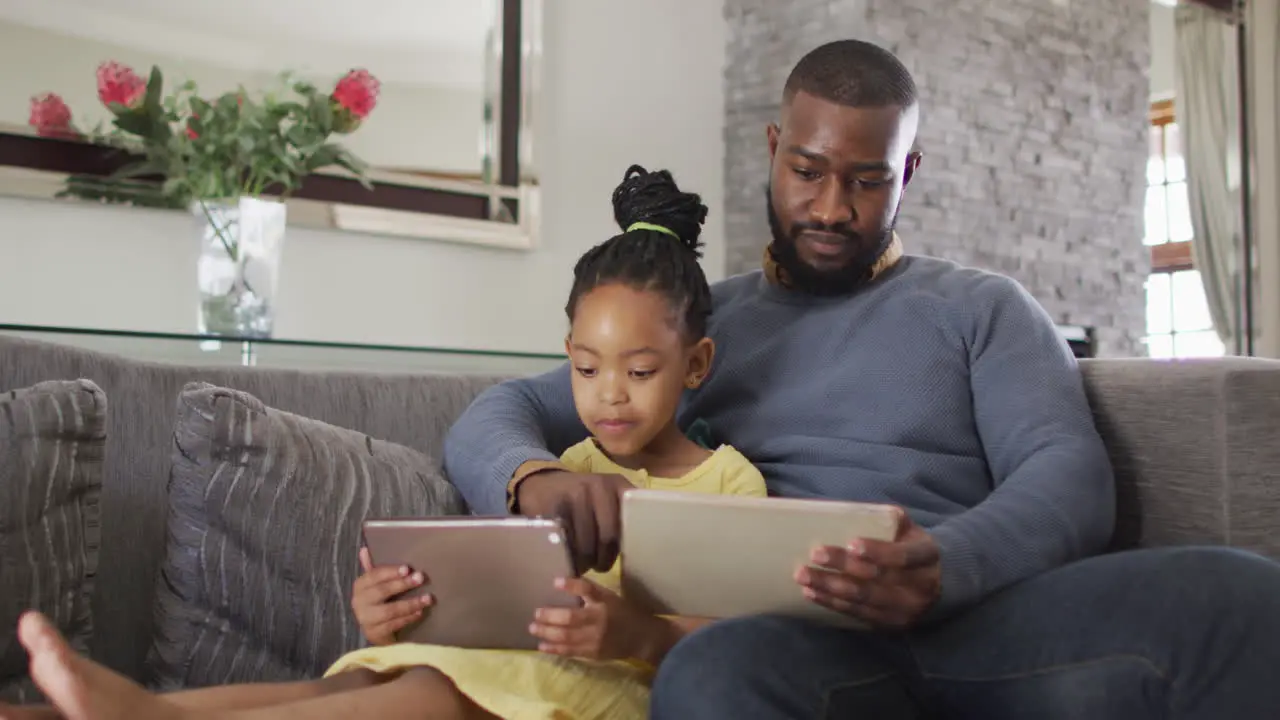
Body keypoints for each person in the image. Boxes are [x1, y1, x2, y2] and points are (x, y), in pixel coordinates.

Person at [441, 39, 1280, 718]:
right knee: (712, 674)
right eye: (808, 171)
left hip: (984, 619)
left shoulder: (981, 308)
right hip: (790, 644)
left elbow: (1066, 472)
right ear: (774, 150)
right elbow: (502, 409)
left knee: (1242, 597)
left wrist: (944, 563)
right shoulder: (691, 329)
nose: (833, 207)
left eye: (867, 179)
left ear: (906, 173)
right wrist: (531, 475)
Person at [0, 166, 766, 720]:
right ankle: (111, 712)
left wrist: (634, 631)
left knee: (421, 696)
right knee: (348, 685)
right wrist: (401, 614)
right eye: (586, 367)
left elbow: (750, 643)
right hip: (494, 668)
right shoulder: (562, 472)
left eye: (639, 370)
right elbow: (504, 597)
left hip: (590, 692)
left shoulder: (729, 485)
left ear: (696, 364)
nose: (608, 393)